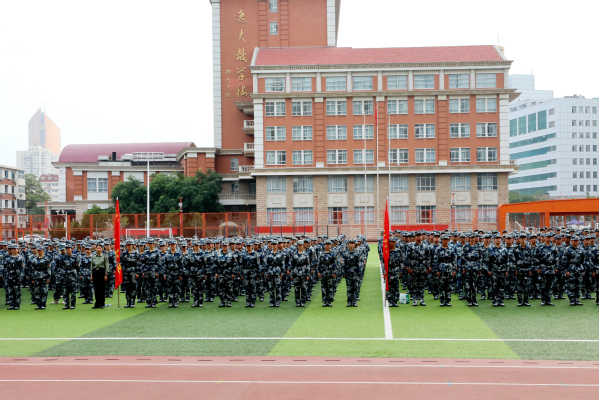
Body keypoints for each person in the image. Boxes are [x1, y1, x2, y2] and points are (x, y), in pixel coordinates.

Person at [91, 243, 109, 309]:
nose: (98, 249)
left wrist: (106, 274)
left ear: (102, 249)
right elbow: (91, 266)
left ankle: (102, 303)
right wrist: (91, 275)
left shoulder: (104, 256)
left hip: (102, 272)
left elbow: (106, 266)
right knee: (96, 289)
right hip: (95, 272)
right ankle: (97, 304)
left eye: (100, 248)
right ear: (95, 249)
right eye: (97, 248)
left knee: (102, 289)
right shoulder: (93, 256)